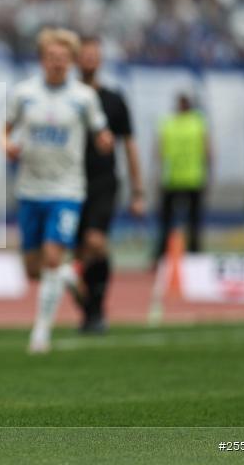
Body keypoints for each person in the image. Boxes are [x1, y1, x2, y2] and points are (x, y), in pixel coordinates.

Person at [3, 28, 113, 354]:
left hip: (67, 189)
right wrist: (6, 144)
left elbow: (101, 129)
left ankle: (41, 333)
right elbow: (4, 129)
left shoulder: (83, 98)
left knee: (52, 257)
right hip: (30, 189)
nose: (57, 63)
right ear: (42, 59)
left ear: (71, 61)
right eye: (52, 57)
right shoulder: (24, 93)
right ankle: (65, 275)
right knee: (33, 269)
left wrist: (104, 140)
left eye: (64, 59)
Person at [73, 37, 145, 333]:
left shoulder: (114, 99)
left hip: (103, 182)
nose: (89, 59)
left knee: (95, 242)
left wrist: (138, 191)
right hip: (69, 182)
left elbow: (129, 145)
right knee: (72, 256)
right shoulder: (67, 97)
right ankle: (91, 312)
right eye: (84, 55)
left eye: (94, 55)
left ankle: (96, 309)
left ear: (100, 60)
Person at [153, 93, 210, 264]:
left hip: (175, 179)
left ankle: (162, 256)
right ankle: (194, 257)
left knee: (169, 222)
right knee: (191, 222)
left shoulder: (169, 123)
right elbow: (208, 151)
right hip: (190, 178)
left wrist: (158, 176)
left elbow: (159, 151)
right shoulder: (198, 123)